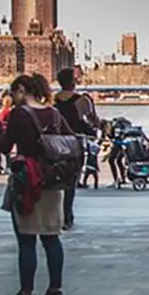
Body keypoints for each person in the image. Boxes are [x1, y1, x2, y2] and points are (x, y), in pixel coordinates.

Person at [0, 74, 73, 295]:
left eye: (13, 92)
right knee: (52, 237)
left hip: (28, 182)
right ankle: (55, 290)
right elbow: (69, 139)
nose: (12, 98)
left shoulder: (19, 115)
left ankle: (26, 294)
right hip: (53, 181)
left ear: (21, 89)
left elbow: (4, 147)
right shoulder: (54, 113)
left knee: (27, 239)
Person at [53, 68, 100, 230]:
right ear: (73, 82)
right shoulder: (82, 100)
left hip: (56, 143)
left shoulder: (53, 101)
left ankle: (56, 214)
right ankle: (67, 216)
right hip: (75, 142)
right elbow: (92, 119)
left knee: (56, 179)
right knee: (71, 181)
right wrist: (96, 130)